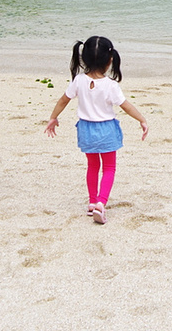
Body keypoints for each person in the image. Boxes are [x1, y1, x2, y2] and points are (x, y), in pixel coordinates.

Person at [45, 36, 149, 225]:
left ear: (83, 58)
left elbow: (63, 100)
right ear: (110, 61)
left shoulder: (79, 80)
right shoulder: (110, 85)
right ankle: (101, 203)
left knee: (93, 166)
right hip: (106, 129)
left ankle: (92, 202)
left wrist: (53, 117)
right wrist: (142, 119)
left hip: (86, 129)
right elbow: (126, 106)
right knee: (109, 167)